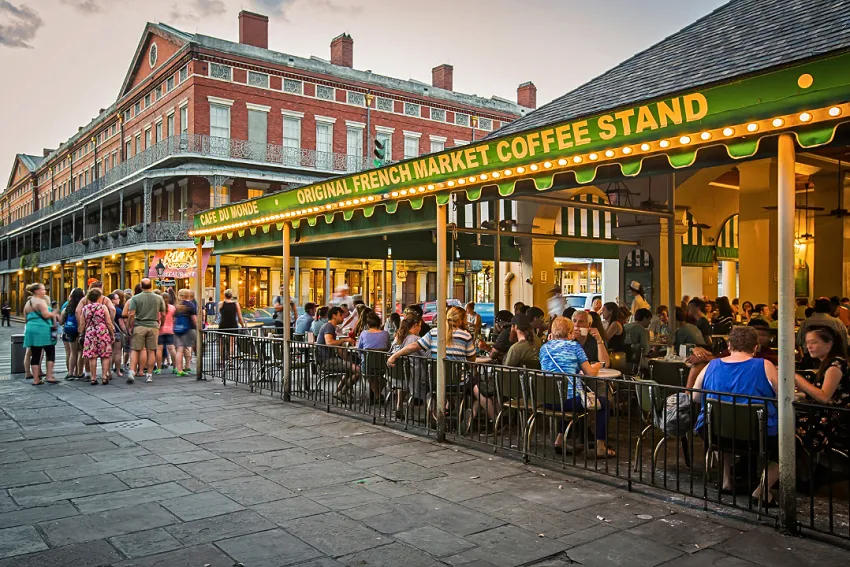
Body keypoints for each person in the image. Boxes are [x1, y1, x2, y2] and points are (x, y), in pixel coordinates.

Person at [693, 326, 778, 504]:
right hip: (757, 435)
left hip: (716, 433)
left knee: (723, 427)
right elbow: (781, 395)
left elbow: (695, 395)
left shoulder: (712, 365)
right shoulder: (765, 366)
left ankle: (726, 480)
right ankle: (762, 489)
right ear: (756, 347)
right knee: (791, 442)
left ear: (729, 345)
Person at [539, 316, 610, 457]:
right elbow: (590, 373)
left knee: (562, 395)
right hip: (568, 401)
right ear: (570, 332)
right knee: (604, 403)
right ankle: (600, 446)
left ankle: (560, 440)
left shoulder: (544, 348)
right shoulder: (575, 347)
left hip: (547, 400)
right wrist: (595, 367)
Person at [795, 326, 850, 454]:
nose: (809, 346)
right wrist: (801, 395)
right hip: (828, 414)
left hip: (835, 420)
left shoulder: (835, 366)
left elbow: (824, 397)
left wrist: (798, 379)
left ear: (829, 343)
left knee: (788, 427)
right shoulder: (828, 363)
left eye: (814, 342)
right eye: (807, 342)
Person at [124, 278, 166, 384]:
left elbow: (132, 314)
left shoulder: (135, 298)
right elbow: (163, 314)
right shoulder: (158, 298)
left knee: (135, 349)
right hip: (153, 325)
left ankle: (132, 371)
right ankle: (149, 375)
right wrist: (161, 324)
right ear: (151, 286)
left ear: (141, 286)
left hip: (139, 326)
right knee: (151, 351)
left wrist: (129, 326)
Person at [316, 306, 359, 402]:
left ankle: (339, 391)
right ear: (334, 315)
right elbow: (329, 342)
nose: (343, 317)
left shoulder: (329, 327)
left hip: (327, 360)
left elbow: (335, 346)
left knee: (351, 369)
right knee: (357, 370)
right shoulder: (329, 326)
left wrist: (345, 358)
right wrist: (345, 339)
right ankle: (342, 392)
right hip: (327, 361)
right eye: (340, 315)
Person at [389, 314, 425, 419]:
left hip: (397, 376)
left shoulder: (397, 337)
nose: (420, 328)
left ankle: (399, 406)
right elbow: (427, 354)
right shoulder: (416, 339)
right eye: (420, 325)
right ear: (415, 325)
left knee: (403, 381)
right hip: (414, 376)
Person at [23, 283, 58, 385]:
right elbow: (46, 315)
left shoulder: (28, 303)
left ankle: (36, 379)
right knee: (50, 352)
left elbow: (25, 319)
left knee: (35, 354)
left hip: (31, 329)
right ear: (37, 291)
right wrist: (54, 313)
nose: (45, 291)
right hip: (43, 330)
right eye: (43, 289)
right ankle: (49, 376)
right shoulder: (41, 302)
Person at [79, 288, 114, 385]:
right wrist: (111, 333)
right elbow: (108, 322)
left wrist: (82, 334)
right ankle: (104, 376)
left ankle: (93, 378)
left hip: (90, 332)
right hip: (102, 331)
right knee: (105, 355)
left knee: (92, 356)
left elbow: (82, 324)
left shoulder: (85, 308)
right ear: (99, 297)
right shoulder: (103, 307)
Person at [357, 311, 392, 401]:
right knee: (382, 377)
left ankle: (377, 395)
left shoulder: (364, 334)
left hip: (367, 366)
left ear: (368, 324)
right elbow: (388, 347)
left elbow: (359, 350)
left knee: (370, 375)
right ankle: (378, 395)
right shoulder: (386, 334)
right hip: (383, 366)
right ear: (379, 323)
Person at [60, 287, 84, 380]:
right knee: (80, 352)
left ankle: (70, 372)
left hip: (70, 331)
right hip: (79, 330)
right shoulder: (82, 307)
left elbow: (61, 321)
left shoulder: (67, 307)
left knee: (72, 353)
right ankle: (79, 372)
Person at [174, 288, 198, 377]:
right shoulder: (191, 305)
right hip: (188, 328)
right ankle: (186, 366)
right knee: (188, 348)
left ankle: (179, 369)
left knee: (179, 350)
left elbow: (175, 319)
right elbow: (194, 319)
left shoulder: (177, 305)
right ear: (188, 295)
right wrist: (198, 328)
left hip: (178, 329)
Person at [155, 292, 176, 375]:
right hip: (170, 330)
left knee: (159, 349)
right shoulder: (172, 308)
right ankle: (175, 367)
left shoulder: (158, 308)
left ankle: (159, 368)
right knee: (172, 349)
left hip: (160, 330)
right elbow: (174, 319)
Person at [109, 293, 126, 380]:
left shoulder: (105, 309)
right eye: (117, 299)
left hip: (107, 332)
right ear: (112, 300)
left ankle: (109, 370)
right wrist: (126, 332)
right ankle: (118, 371)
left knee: (109, 352)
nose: (118, 300)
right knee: (118, 352)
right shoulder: (118, 310)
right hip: (116, 332)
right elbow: (121, 323)